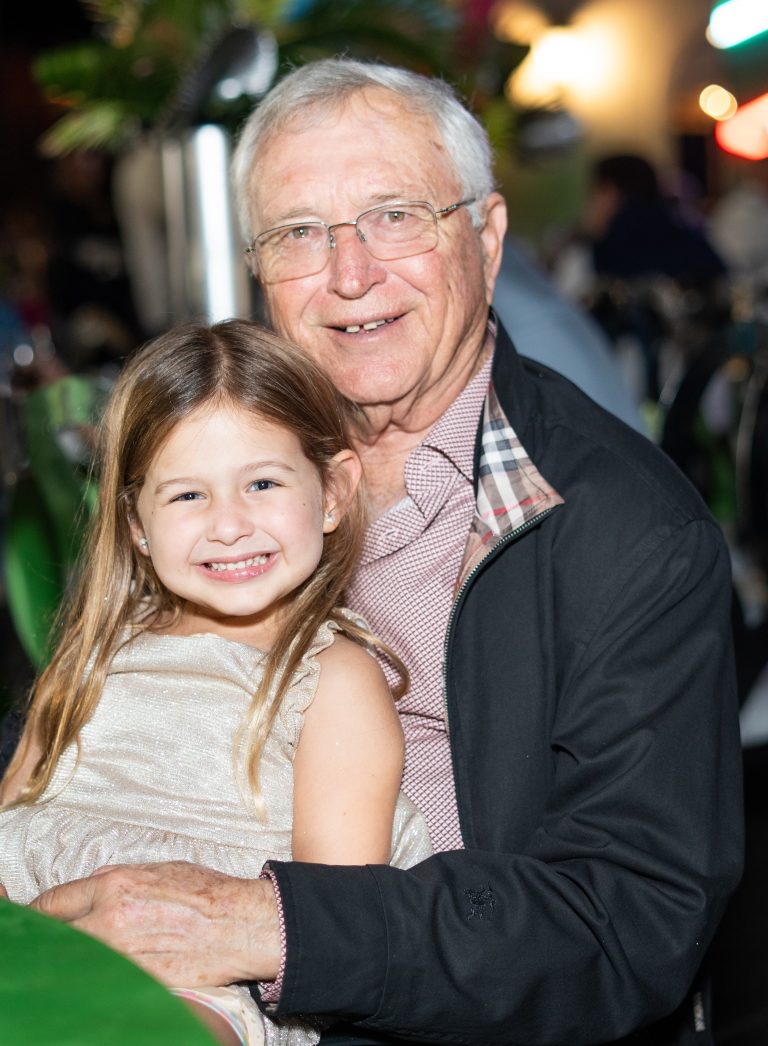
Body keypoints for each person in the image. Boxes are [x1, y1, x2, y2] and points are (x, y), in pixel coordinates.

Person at [25, 60, 742, 1046]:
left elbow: (628, 920)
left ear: (487, 236)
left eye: (396, 216)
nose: (350, 273)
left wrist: (262, 925)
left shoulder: (626, 531)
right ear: (258, 267)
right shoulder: (219, 471)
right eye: (300, 233)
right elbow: (90, 697)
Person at [0, 319, 432, 1046]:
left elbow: (333, 919)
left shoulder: (331, 679)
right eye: (187, 496)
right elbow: (15, 806)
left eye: (262, 483)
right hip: (33, 928)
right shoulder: (96, 648)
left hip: (204, 977)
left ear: (332, 491)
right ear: (136, 523)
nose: (229, 525)